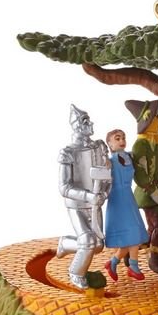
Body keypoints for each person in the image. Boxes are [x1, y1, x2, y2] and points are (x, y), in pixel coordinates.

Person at [56, 105, 111, 290]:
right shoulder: (68, 153)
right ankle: (76, 272)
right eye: (85, 121)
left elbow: (107, 175)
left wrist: (103, 194)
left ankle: (66, 243)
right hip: (77, 205)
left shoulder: (99, 147)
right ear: (77, 125)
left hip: (95, 204)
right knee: (88, 241)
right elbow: (64, 187)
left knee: (98, 245)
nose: (90, 124)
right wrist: (88, 196)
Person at [125, 99, 158, 275]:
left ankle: (129, 251)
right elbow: (139, 171)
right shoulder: (141, 143)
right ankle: (155, 259)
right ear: (147, 120)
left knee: (152, 228)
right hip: (147, 193)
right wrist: (152, 190)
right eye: (156, 116)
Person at [104, 129, 149, 281]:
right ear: (110, 144)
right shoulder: (110, 161)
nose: (122, 141)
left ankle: (113, 262)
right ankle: (133, 266)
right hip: (118, 198)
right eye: (117, 138)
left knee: (130, 236)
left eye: (123, 138)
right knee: (133, 233)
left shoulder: (129, 156)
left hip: (128, 196)